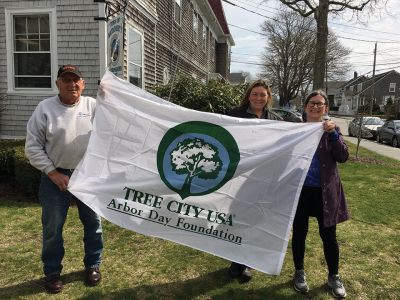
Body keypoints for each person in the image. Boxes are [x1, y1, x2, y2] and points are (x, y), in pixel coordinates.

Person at [25, 65, 103, 293]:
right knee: (52, 228)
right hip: (55, 177)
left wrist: (111, 95)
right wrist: (52, 172)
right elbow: (32, 147)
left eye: (75, 80)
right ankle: (52, 272)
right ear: (57, 84)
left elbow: (113, 126)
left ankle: (93, 265)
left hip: (87, 175)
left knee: (94, 225)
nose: (71, 84)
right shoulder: (45, 109)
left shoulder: (93, 106)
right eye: (66, 80)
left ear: (83, 84)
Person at [291, 90, 349, 298]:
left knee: (329, 237)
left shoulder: (332, 130)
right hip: (300, 191)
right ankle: (299, 272)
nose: (316, 106)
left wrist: (333, 134)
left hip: (325, 192)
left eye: (320, 104)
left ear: (325, 108)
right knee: (299, 232)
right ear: (305, 106)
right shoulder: (295, 130)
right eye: (312, 103)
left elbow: (343, 157)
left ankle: (333, 276)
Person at [226, 79, 281, 283]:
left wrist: (320, 127)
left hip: (264, 178)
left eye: (262, 95)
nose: (258, 98)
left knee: (256, 219)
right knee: (238, 217)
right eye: (255, 94)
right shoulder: (234, 114)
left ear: (268, 98)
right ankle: (234, 259)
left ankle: (246, 262)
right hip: (239, 175)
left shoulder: (275, 120)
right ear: (249, 96)